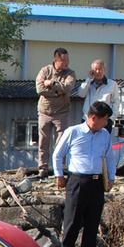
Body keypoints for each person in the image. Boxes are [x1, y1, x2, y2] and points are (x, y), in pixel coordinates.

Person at [53, 101, 117, 247]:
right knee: (72, 221)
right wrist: (59, 175)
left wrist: (111, 177)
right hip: (77, 180)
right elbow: (58, 154)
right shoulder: (73, 132)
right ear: (93, 118)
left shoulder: (104, 134)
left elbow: (110, 157)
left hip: (97, 182)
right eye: (105, 119)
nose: (106, 123)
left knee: (92, 221)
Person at [35, 47, 77, 178]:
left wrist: (52, 83)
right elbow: (39, 89)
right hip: (44, 112)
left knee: (61, 142)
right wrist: (58, 92)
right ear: (56, 60)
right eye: (64, 60)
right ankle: (43, 168)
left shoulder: (70, 73)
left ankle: (58, 168)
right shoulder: (45, 70)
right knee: (43, 142)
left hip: (62, 112)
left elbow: (68, 87)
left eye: (68, 59)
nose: (67, 63)